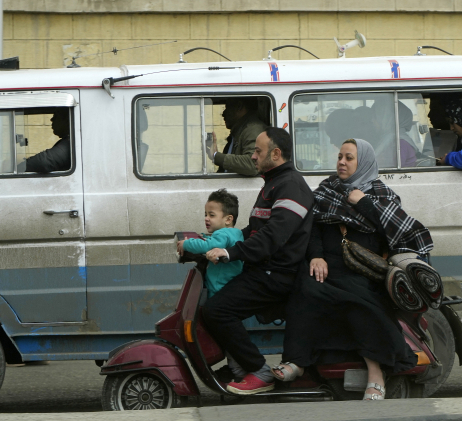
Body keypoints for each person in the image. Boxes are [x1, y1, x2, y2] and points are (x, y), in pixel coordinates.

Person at [273, 138, 434, 400]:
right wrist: (316, 256)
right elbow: (312, 228)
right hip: (328, 267)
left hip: (365, 271)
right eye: (340, 157)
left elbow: (396, 232)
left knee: (359, 299)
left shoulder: (382, 195)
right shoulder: (327, 190)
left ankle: (375, 373)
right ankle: (297, 361)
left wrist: (363, 203)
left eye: (349, 158)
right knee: (305, 289)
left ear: (364, 163)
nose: (342, 162)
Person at [202, 127, 314, 395]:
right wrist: (217, 242)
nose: (252, 156)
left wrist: (233, 253)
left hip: (276, 274)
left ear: (275, 154)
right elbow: (253, 230)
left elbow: (274, 235)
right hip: (263, 269)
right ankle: (241, 365)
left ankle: (259, 371)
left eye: (257, 151)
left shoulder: (290, 186)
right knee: (213, 307)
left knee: (216, 311)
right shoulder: (273, 183)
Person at [176, 188, 246, 381]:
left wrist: (186, 244)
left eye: (212, 215)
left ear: (228, 219)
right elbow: (210, 242)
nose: (207, 218)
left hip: (222, 295)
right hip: (223, 293)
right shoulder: (230, 234)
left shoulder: (226, 234)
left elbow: (208, 246)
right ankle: (235, 370)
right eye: (205, 214)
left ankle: (239, 373)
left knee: (228, 338)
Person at [207, 98, 267, 176]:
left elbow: (253, 165)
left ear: (239, 107)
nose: (223, 114)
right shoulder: (238, 132)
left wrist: (216, 156)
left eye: (227, 108)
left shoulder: (253, 129)